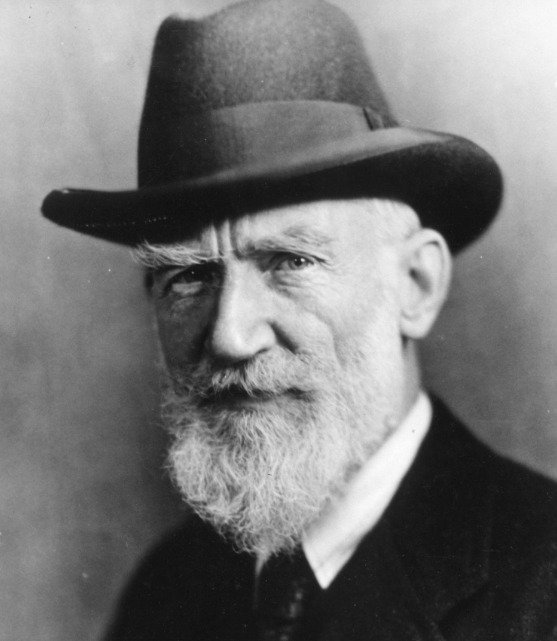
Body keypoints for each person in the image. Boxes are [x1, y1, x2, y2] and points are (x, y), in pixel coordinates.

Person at [42, 0, 557, 639]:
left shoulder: (542, 585)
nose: (231, 336)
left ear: (416, 285)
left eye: (291, 261)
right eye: (189, 277)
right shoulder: (166, 593)